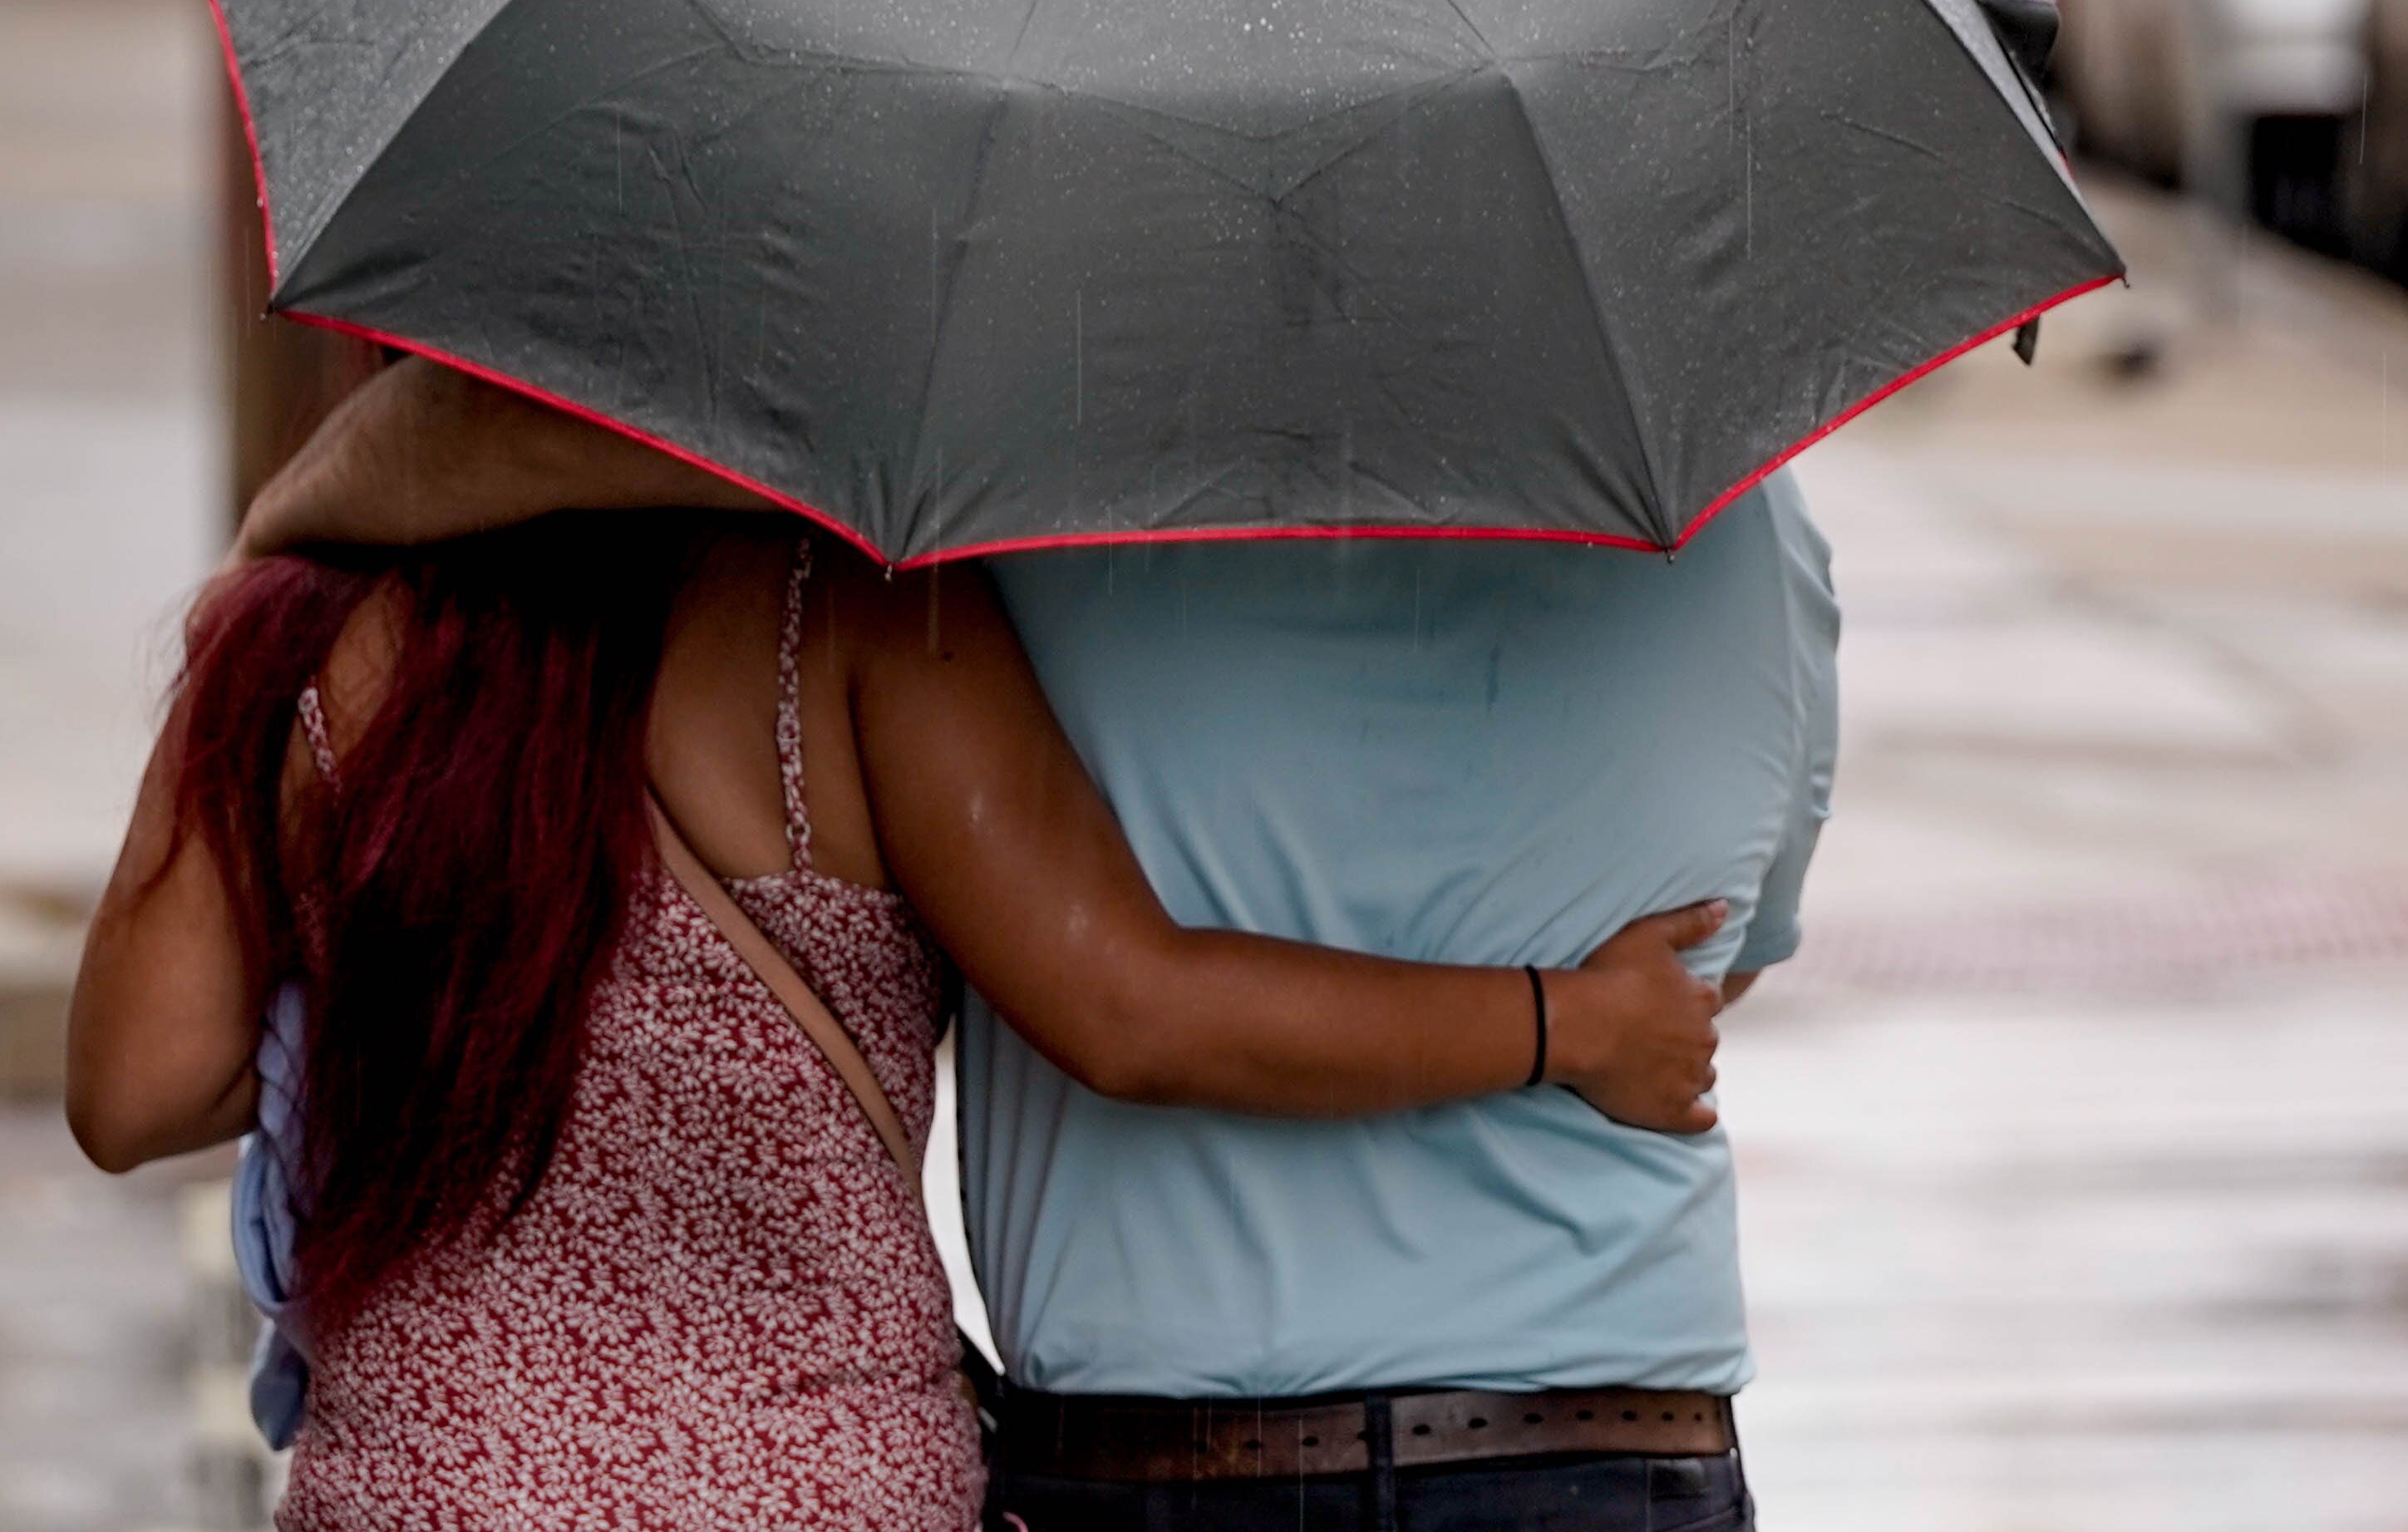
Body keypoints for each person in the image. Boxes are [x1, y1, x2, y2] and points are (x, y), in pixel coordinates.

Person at [236, 352, 1841, 1532]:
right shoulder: (1743, 529)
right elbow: (1730, 958)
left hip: (1168, 1473)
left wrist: (309, 504)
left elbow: (664, 437)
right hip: (1606, 1441)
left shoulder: (1042, 494)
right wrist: (1567, 1022)